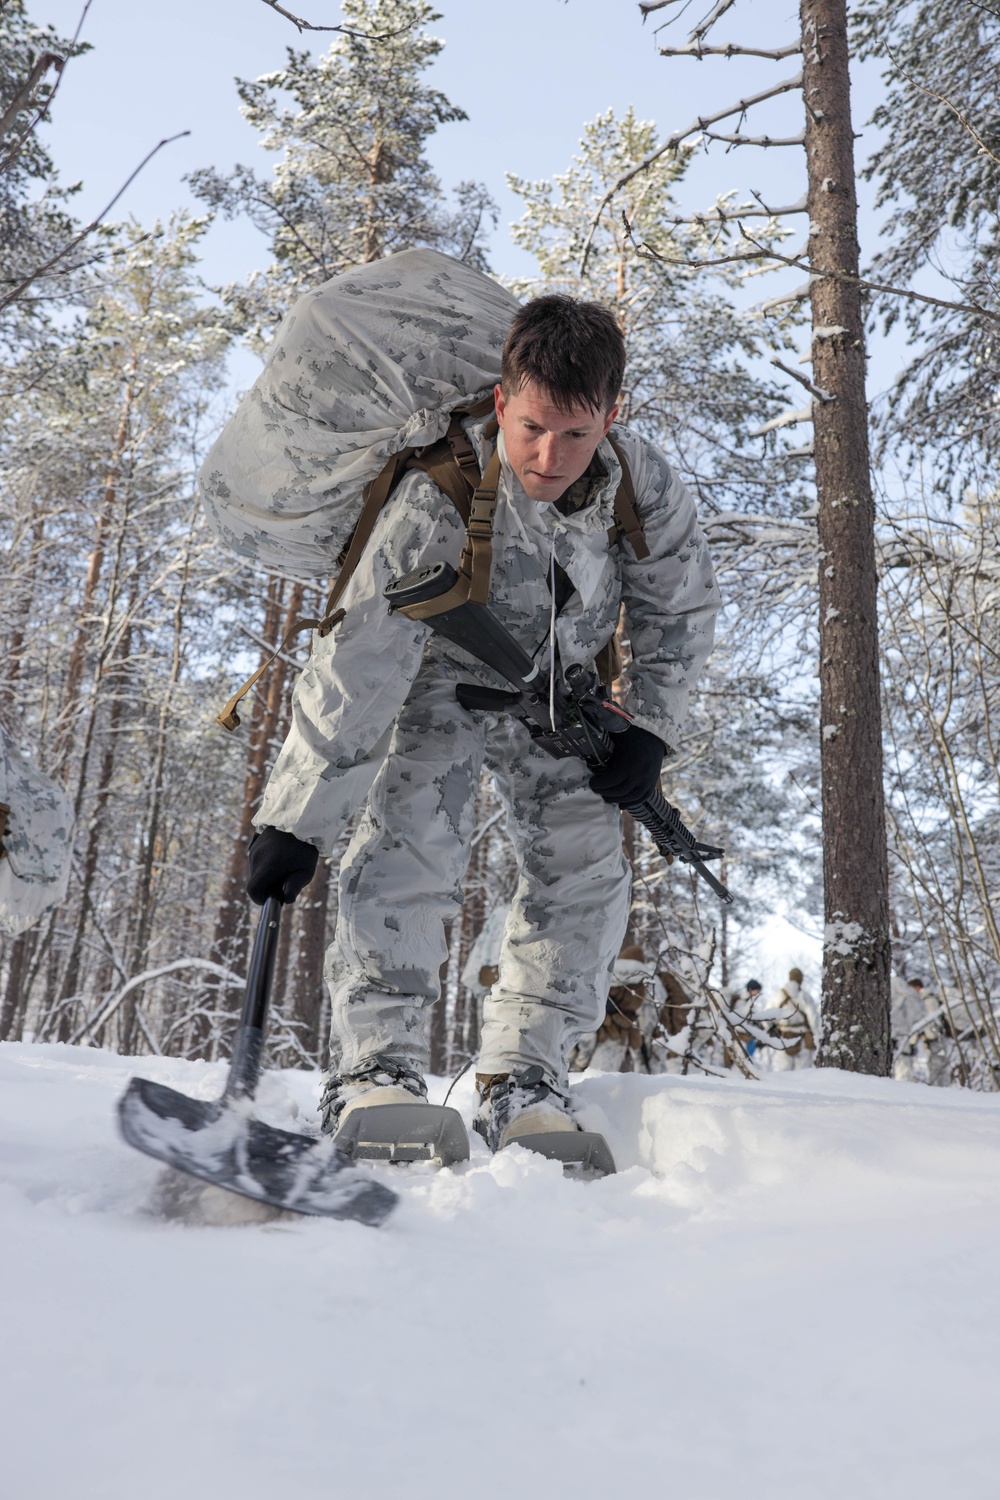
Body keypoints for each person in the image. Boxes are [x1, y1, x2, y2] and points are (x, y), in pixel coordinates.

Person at [245, 294, 720, 1155]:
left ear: (611, 417)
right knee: (411, 845)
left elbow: (678, 611)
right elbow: (357, 664)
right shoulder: (440, 493)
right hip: (440, 676)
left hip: (566, 697)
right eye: (532, 427)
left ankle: (525, 1077)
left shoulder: (642, 487)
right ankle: (375, 1070)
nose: (549, 456)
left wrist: (650, 729)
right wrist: (295, 821)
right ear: (502, 402)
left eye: (576, 434)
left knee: (584, 870)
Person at [766, 967, 820, 1072]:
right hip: (803, 1037)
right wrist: (816, 1034)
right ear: (801, 980)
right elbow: (813, 1018)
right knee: (803, 1072)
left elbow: (766, 1016)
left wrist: (771, 1030)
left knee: (784, 1071)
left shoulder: (777, 995)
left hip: (783, 1036)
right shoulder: (805, 996)